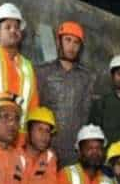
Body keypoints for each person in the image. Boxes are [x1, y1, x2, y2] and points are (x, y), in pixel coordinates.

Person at [36, 21, 95, 167]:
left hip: (73, 154)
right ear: (59, 41)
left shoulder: (86, 78)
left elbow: (85, 115)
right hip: (45, 147)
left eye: (76, 43)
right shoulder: (42, 72)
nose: (72, 46)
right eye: (67, 40)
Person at [0, 2, 39, 146]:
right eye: (7, 27)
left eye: (16, 27)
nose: (13, 31)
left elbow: (33, 104)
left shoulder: (27, 66)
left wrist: (28, 136)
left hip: (18, 137)